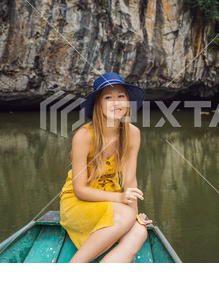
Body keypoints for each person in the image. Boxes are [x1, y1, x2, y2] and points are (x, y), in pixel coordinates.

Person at [59, 72, 152, 263]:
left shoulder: (132, 133)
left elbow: (129, 181)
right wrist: (121, 201)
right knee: (127, 217)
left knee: (140, 230)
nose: (116, 103)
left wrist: (134, 214)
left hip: (114, 203)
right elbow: (80, 190)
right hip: (79, 202)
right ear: (98, 105)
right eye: (108, 98)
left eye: (121, 96)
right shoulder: (84, 136)